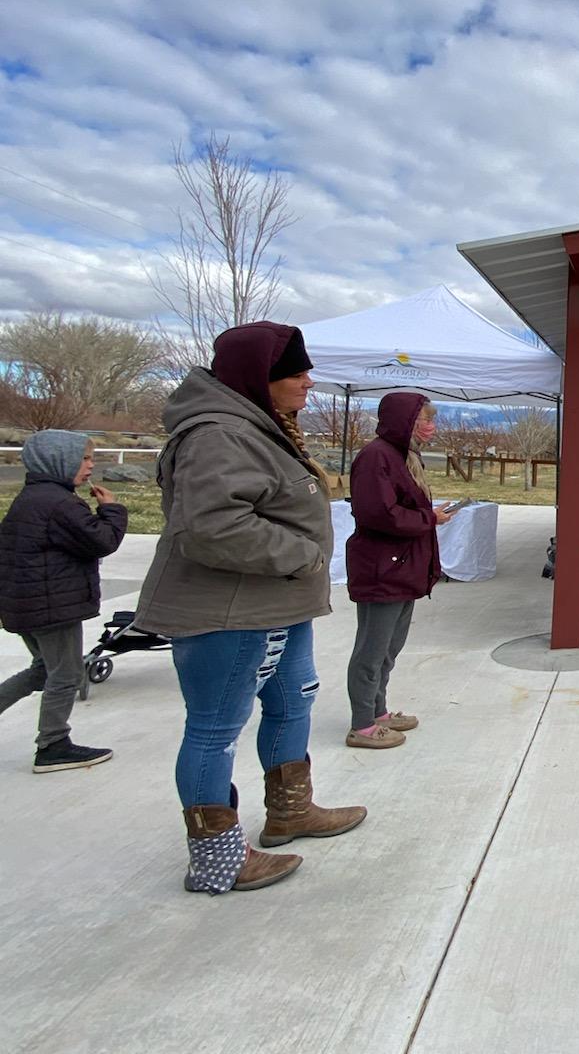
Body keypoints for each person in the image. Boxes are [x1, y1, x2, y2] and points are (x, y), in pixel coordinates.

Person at [137, 322, 365, 894]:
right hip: (229, 612)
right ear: (259, 378)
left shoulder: (259, 428)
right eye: (297, 372)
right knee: (215, 729)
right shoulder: (219, 434)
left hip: (278, 603)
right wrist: (305, 556)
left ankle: (291, 810)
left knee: (293, 702)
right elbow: (211, 528)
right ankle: (216, 859)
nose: (310, 382)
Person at [0, 431, 128, 772]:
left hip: (26, 603)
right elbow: (101, 541)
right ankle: (53, 745)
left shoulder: (35, 497)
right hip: (50, 607)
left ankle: (52, 742)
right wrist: (112, 510)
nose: (90, 466)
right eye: (84, 459)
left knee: (43, 671)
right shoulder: (59, 504)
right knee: (66, 675)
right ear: (59, 461)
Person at [344, 393, 451, 750]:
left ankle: (379, 712)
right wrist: (429, 519)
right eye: (424, 419)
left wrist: (427, 516)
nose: (430, 426)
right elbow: (379, 514)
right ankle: (362, 723)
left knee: (390, 647)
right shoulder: (376, 457)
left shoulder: (405, 456)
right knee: (371, 650)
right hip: (383, 569)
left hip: (404, 568)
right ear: (405, 421)